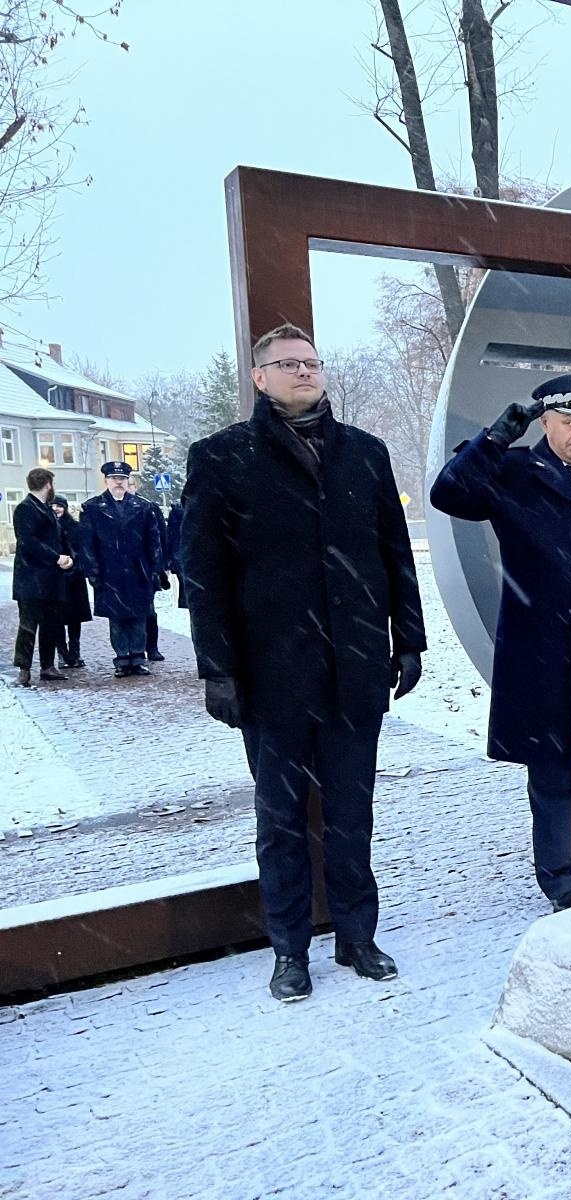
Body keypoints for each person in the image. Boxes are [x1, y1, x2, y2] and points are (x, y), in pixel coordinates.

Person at [182, 323, 427, 1003]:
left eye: (313, 363)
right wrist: (218, 668)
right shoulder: (222, 457)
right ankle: (290, 948)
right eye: (288, 364)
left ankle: (356, 936)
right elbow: (202, 574)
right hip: (271, 675)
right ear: (259, 378)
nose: (304, 372)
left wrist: (408, 640)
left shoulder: (365, 456)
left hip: (353, 670)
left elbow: (394, 556)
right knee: (281, 820)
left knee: (353, 812)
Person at [430, 373, 571, 913]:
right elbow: (448, 493)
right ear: (544, 421)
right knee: (550, 771)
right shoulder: (512, 471)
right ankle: (562, 881)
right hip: (538, 647)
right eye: (568, 422)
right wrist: (495, 437)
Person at [77, 461, 164, 678]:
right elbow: (87, 543)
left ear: (128, 481)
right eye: (115, 479)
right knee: (116, 619)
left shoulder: (142, 507)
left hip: (137, 569)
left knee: (138, 616)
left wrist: (155, 568)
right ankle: (121, 659)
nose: (119, 482)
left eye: (123, 479)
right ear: (106, 481)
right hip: (109, 571)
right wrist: (93, 571)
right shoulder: (93, 508)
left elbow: (154, 540)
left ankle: (138, 657)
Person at [10, 467, 72, 687]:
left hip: (50, 579)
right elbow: (29, 542)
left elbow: (58, 537)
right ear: (48, 484)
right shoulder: (26, 509)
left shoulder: (44, 508)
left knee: (51, 624)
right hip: (31, 579)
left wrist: (67, 558)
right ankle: (24, 668)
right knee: (28, 625)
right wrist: (56, 557)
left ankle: (47, 665)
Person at [124, 474, 170, 662]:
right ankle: (132, 650)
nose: (127, 488)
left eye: (131, 484)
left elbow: (160, 536)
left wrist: (161, 564)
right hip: (124, 569)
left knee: (148, 610)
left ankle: (152, 647)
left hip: (145, 567)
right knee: (125, 612)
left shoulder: (148, 507)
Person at [48, 496, 91, 669]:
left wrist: (75, 566)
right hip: (55, 580)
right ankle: (62, 654)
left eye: (59, 506)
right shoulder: (47, 528)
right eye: (53, 506)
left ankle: (75, 652)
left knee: (75, 619)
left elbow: (83, 550)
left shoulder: (75, 527)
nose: (56, 509)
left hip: (74, 580)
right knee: (57, 618)